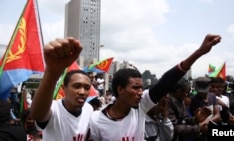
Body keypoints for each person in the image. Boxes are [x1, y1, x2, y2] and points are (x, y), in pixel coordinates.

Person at [88, 34, 221, 140]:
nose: (140, 92)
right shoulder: (96, 120)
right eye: (135, 88)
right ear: (120, 89)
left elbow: (165, 82)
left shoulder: (140, 106)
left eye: (141, 88)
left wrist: (200, 52)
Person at [30, 37, 94, 141]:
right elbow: (37, 114)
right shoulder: (53, 108)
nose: (82, 92)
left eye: (87, 88)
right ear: (64, 88)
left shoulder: (89, 109)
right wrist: (52, 72)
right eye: (77, 86)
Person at [189, 77, 221, 141]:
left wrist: (206, 122)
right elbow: (194, 118)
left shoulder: (212, 96)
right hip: (200, 132)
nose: (202, 94)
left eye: (204, 92)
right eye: (200, 92)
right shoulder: (193, 100)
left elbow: (218, 116)